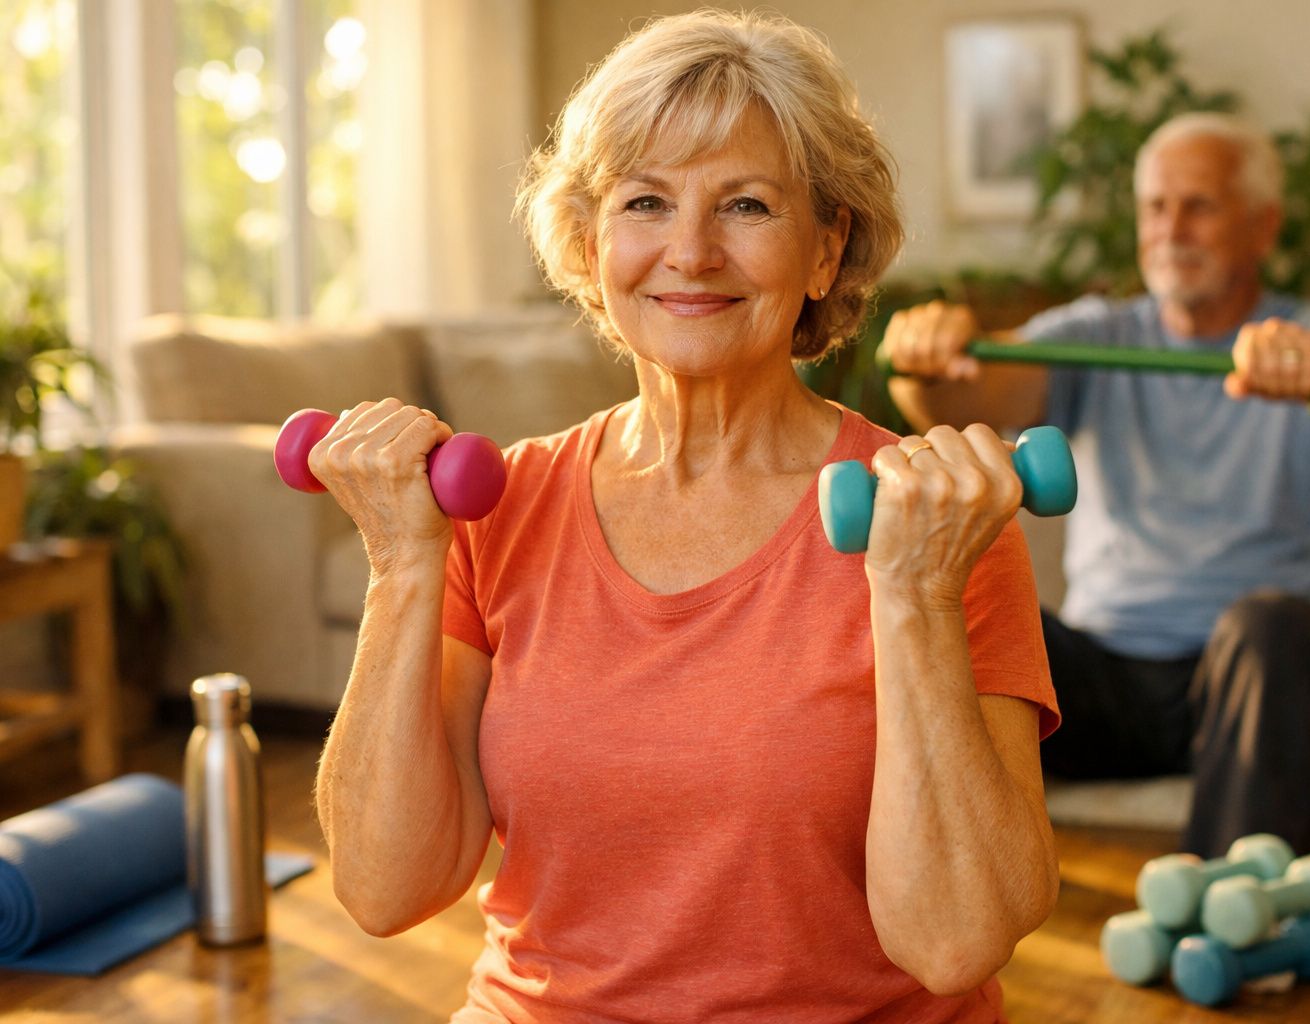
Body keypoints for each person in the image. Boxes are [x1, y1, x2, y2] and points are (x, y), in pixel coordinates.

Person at [311, 11, 1060, 1022]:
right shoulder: (499, 509)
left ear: (826, 249)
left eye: (746, 205)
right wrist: (402, 565)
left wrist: (913, 592)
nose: (692, 251)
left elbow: (954, 939)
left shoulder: (930, 520)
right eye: (647, 201)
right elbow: (385, 886)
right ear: (589, 243)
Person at [884, 112, 1310, 860]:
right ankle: (925, 879)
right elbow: (972, 399)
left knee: (1268, 627)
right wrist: (928, 362)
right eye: (1154, 208)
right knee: (970, 611)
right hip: (1123, 680)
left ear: (1264, 227)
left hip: (1295, 682)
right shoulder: (1099, 332)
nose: (1171, 229)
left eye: (1199, 206)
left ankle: (1229, 906)